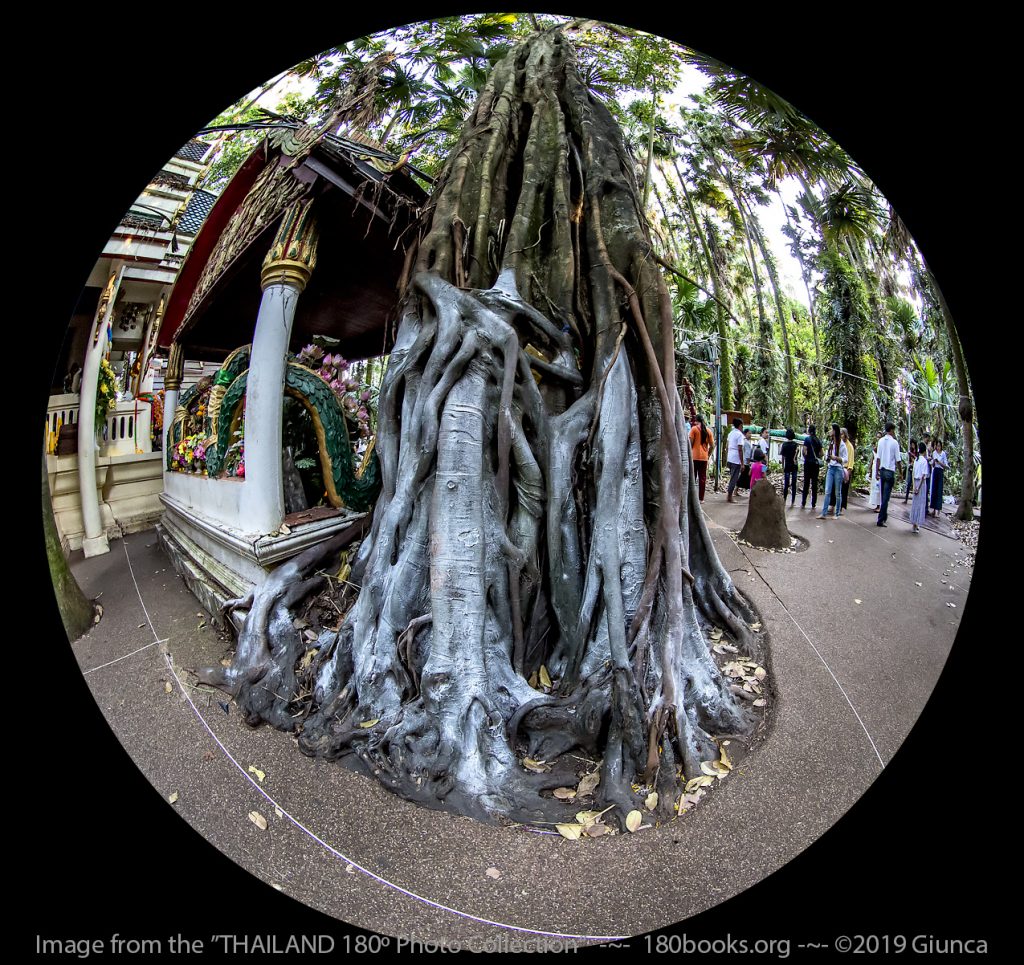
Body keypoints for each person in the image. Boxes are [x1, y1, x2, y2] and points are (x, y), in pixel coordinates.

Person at [874, 421, 901, 527]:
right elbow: (898, 460)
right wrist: (901, 473)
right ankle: (880, 519)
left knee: (883, 496)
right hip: (889, 471)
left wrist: (877, 472)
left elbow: (878, 458)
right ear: (892, 430)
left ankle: (884, 516)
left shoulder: (880, 441)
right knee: (886, 497)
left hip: (882, 470)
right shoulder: (894, 443)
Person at [818, 423, 847, 519]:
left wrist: (836, 458)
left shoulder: (842, 444)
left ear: (835, 431)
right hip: (830, 468)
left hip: (838, 469)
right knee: (827, 491)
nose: (830, 431)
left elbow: (845, 459)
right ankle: (823, 513)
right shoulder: (831, 443)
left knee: (837, 492)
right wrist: (828, 458)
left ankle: (837, 513)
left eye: (831, 430)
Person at [689, 414, 714, 502]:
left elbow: (690, 443)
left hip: (694, 456)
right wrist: (708, 454)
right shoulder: (708, 431)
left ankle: (691, 497)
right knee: (702, 478)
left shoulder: (694, 429)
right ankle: (701, 498)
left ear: (696, 421)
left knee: (693, 477)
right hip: (704, 457)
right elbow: (712, 445)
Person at [801, 424, 823, 509]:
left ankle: (803, 502)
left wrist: (806, 456)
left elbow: (805, 452)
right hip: (815, 464)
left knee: (806, 483)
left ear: (809, 431)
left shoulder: (807, 439)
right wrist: (817, 457)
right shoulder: (818, 440)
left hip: (808, 464)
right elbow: (822, 453)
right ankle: (813, 503)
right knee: (814, 483)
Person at [910, 443, 929, 532]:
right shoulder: (924, 461)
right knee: (920, 504)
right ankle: (916, 524)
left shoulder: (916, 460)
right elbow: (923, 475)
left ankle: (914, 524)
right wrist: (918, 487)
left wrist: (914, 486)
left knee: (915, 504)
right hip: (921, 484)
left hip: (915, 482)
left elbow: (913, 474)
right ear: (924, 451)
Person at [725, 417, 746, 503]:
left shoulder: (731, 433)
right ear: (740, 425)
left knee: (732, 477)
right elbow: (740, 449)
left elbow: (727, 446)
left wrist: (727, 457)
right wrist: (742, 463)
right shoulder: (740, 435)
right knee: (734, 478)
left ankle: (729, 495)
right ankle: (730, 496)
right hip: (736, 459)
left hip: (730, 457)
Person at [780, 428, 799, 507]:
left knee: (786, 484)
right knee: (794, 483)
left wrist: (782, 466)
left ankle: (784, 500)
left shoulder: (784, 444)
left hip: (787, 465)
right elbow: (797, 453)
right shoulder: (795, 444)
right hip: (794, 465)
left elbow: (783, 457)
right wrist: (795, 458)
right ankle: (793, 501)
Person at [930, 438, 948, 516]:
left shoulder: (943, 454)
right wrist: (934, 462)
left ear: (941, 446)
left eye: (939, 446)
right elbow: (933, 465)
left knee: (939, 490)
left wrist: (939, 462)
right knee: (934, 490)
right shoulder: (934, 453)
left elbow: (946, 466)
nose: (938, 447)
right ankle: (933, 509)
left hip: (940, 471)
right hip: (935, 471)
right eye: (937, 446)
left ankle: (938, 511)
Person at [839, 427, 854, 515]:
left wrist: (848, 471)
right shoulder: (839, 444)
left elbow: (850, 461)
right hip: (839, 468)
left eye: (842, 434)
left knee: (843, 490)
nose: (841, 436)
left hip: (845, 469)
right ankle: (834, 505)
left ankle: (841, 507)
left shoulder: (850, 446)